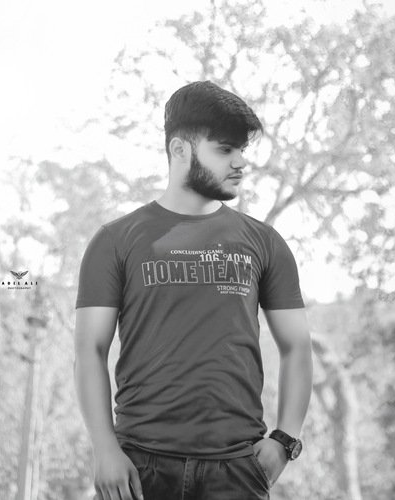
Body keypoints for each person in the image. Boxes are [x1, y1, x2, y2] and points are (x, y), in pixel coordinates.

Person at [74, 80, 313, 500]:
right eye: (225, 149)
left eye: (242, 150)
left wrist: (284, 440)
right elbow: (89, 350)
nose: (240, 162)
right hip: (138, 469)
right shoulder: (115, 241)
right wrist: (105, 450)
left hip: (237, 470)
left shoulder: (265, 242)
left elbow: (297, 346)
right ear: (180, 150)